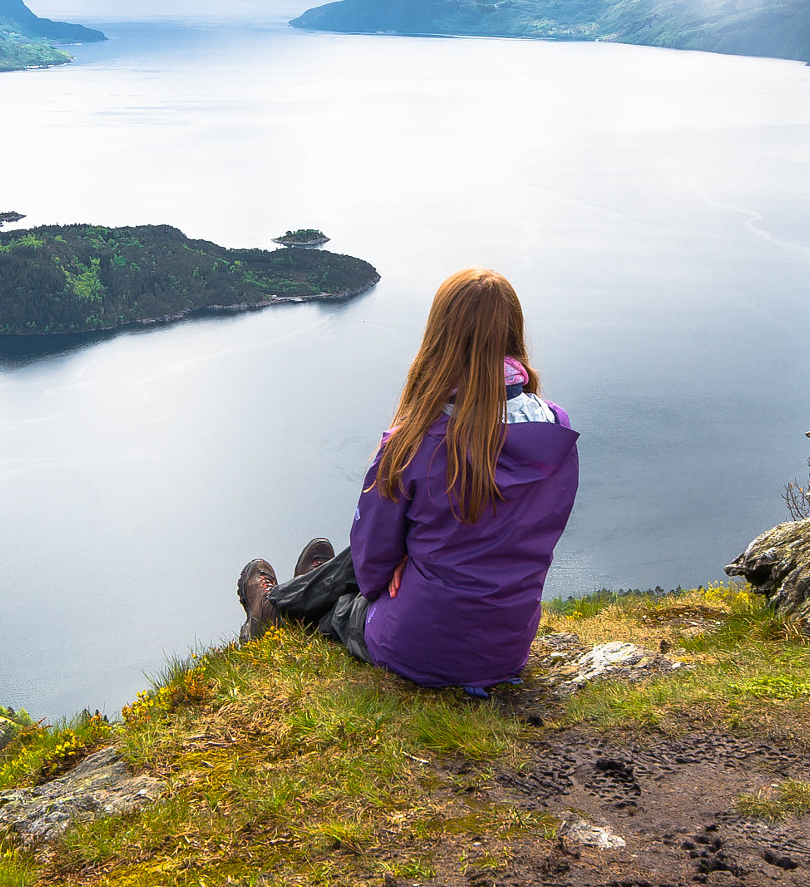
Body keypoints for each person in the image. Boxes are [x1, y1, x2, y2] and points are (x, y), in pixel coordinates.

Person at [237, 267, 580, 690]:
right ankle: (300, 588)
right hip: (506, 649)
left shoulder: (413, 441)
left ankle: (273, 610)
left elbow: (372, 566)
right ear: (513, 331)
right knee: (388, 552)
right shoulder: (556, 431)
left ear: (440, 337)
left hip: (415, 645)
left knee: (343, 606)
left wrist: (398, 564)